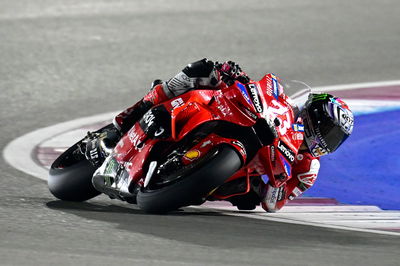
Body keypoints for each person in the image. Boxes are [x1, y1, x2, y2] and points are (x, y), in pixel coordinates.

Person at [86, 58, 354, 212]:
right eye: (326, 129)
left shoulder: (307, 168)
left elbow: (274, 203)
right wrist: (232, 74)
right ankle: (125, 122)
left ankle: (182, 179)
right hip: (233, 119)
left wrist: (271, 187)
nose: (323, 139)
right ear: (312, 113)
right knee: (204, 70)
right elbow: (260, 89)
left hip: (235, 172)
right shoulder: (282, 103)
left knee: (247, 197)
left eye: (332, 138)